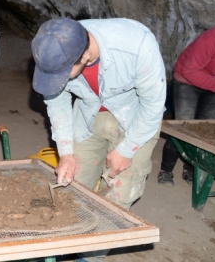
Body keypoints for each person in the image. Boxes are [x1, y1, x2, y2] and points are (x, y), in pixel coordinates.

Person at [31, 17, 165, 262]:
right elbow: (57, 100)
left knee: (118, 196)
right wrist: (66, 152)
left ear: (84, 56)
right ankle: (64, 246)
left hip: (135, 120)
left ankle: (90, 257)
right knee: (73, 185)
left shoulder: (136, 46)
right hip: (88, 115)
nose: (58, 80)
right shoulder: (56, 45)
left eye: (62, 74)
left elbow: (153, 106)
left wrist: (127, 149)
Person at [158, 9, 215, 186]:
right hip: (188, 82)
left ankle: (191, 168)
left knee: (204, 129)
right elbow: (189, 71)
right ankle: (166, 170)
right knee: (183, 127)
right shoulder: (211, 40)